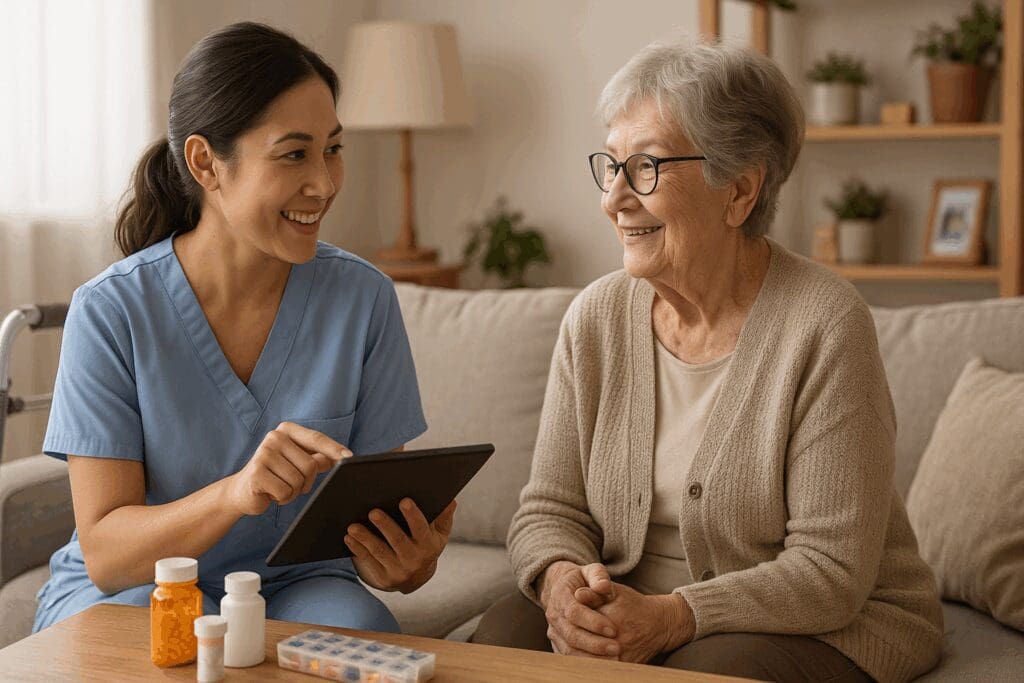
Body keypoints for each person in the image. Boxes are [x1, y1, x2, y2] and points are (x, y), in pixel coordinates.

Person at [472, 39, 943, 683]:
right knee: (497, 641)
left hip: (823, 618)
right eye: (611, 166)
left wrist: (671, 617)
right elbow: (548, 510)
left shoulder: (826, 323)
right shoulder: (596, 317)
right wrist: (561, 585)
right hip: (633, 599)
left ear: (740, 191)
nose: (615, 198)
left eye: (647, 168)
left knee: (705, 672)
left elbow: (831, 571)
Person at [33, 22, 453, 635]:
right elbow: (107, 553)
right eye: (294, 154)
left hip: (299, 585)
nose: (325, 183)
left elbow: (376, 534)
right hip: (139, 587)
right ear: (206, 162)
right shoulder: (112, 311)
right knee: (178, 640)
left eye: (333, 149)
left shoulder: (364, 299)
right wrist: (236, 493)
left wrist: (407, 562)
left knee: (366, 636)